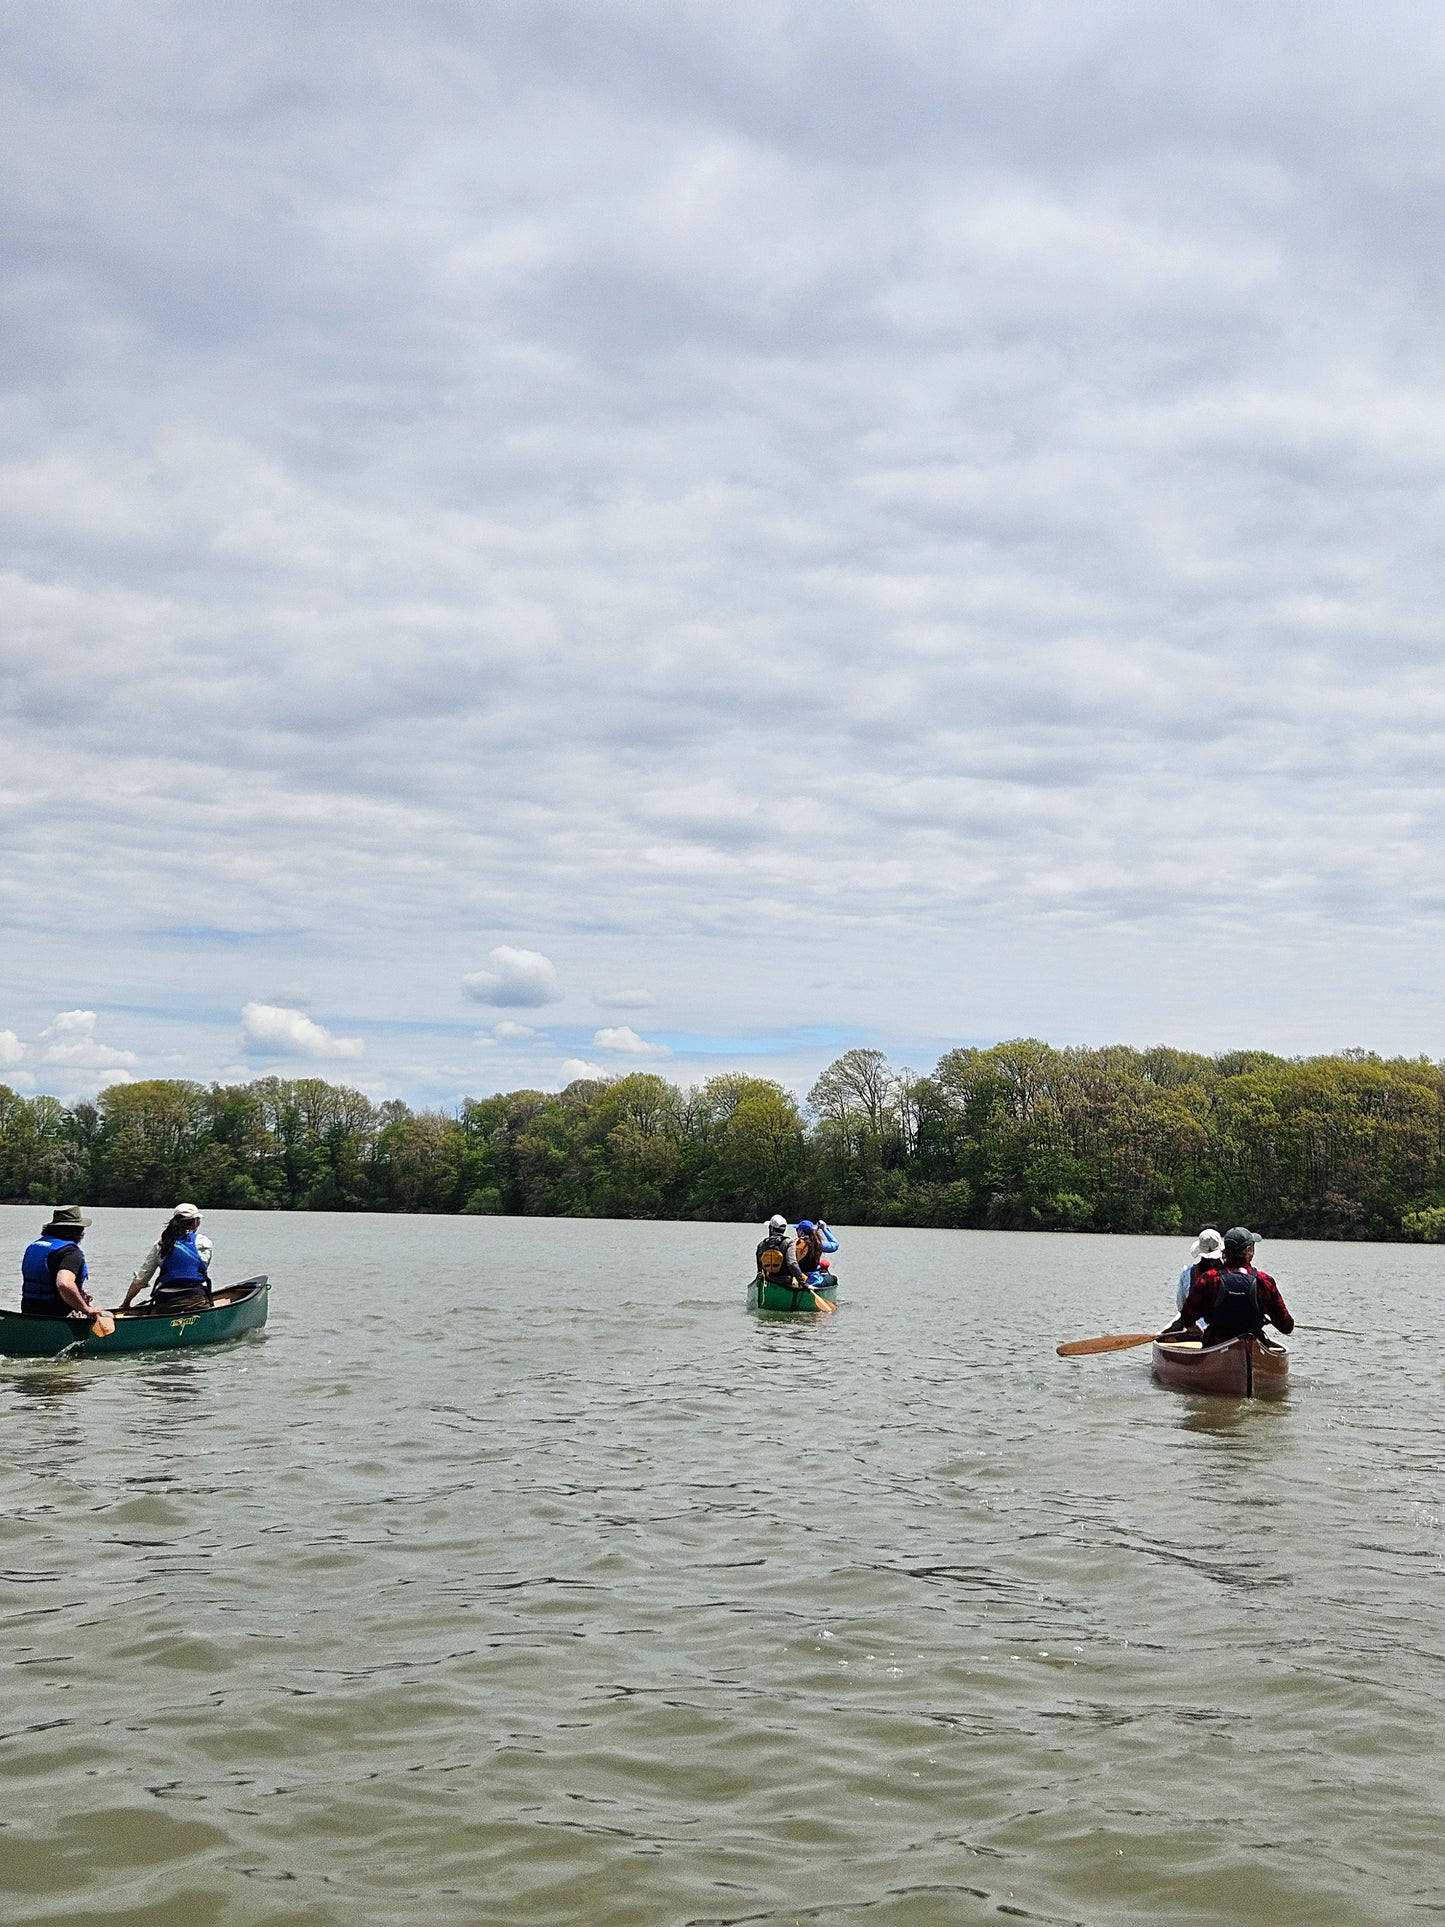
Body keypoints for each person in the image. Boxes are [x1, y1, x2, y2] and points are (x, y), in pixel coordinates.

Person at [1167, 1226, 1293, 1347]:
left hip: (1215, 1343)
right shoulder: (1264, 1281)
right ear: (1249, 1250)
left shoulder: (1208, 1279)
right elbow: (1286, 1326)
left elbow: (1187, 1317)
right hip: (1252, 1342)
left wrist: (1194, 1328)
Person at [20, 1205, 112, 1331]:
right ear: (77, 1231)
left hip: (28, 1312)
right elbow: (64, 1284)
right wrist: (86, 1309)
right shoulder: (70, 1252)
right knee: (108, 1315)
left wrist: (79, 1295)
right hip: (58, 1316)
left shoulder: (34, 1246)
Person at [121, 1203, 213, 1311]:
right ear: (195, 1222)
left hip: (165, 1301)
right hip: (195, 1299)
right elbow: (201, 1268)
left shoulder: (162, 1244)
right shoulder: (204, 1243)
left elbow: (142, 1278)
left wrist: (126, 1303)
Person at [1175, 1226, 1224, 1319]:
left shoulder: (1187, 1272)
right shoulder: (1229, 1274)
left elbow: (1181, 1305)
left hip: (1194, 1324)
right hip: (1220, 1324)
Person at [755, 1213, 807, 1288]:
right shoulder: (789, 1242)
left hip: (769, 1281)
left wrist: (760, 1281)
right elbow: (792, 1264)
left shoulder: (762, 1244)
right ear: (784, 1229)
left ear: (771, 1228)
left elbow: (760, 1268)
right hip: (786, 1281)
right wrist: (803, 1283)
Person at [794, 1218, 839, 1284]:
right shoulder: (818, 1244)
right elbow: (835, 1245)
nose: (797, 1232)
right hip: (814, 1280)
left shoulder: (795, 1243)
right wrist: (824, 1229)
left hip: (798, 1278)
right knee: (833, 1278)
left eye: (797, 1230)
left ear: (801, 1231)